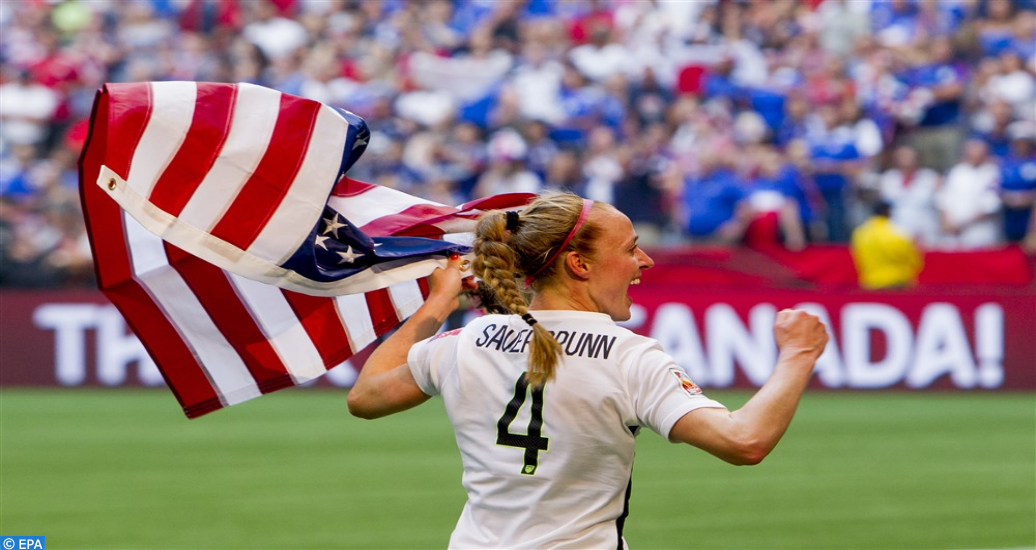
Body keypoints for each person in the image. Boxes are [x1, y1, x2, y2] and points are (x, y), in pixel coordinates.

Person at [346, 193, 829, 549]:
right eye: (631, 248)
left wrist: (436, 304)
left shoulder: (463, 342)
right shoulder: (628, 356)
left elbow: (365, 397)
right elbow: (744, 441)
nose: (646, 261)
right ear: (579, 264)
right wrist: (798, 355)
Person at [850, 200, 924, 290]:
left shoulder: (860, 232)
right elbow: (914, 260)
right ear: (888, 211)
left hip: (870, 283)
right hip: (896, 283)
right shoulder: (896, 232)